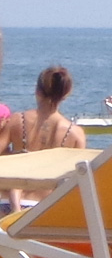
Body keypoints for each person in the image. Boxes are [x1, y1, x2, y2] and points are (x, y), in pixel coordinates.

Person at [4, 66, 87, 213]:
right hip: (45, 208)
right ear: (66, 94)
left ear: (37, 90)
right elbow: (79, 180)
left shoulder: (17, 120)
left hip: (6, 204)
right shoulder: (75, 134)